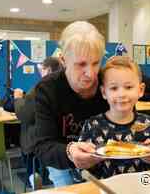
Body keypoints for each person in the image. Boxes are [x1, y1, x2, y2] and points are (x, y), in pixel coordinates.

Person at [34, 21, 109, 187]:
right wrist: (70, 151)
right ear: (63, 59)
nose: (90, 74)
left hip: (108, 159)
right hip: (63, 162)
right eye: (81, 64)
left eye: (96, 63)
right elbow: (43, 146)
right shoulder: (47, 89)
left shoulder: (110, 82)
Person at [78, 56, 150, 179]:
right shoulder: (92, 125)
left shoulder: (149, 124)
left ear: (140, 90)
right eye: (113, 88)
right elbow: (81, 171)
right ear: (103, 92)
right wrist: (90, 161)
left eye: (128, 87)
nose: (121, 94)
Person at [14, 57, 62, 188]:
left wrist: (18, 99)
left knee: (26, 131)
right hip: (59, 138)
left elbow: (24, 115)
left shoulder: (41, 88)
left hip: (39, 140)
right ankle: (44, 175)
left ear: (48, 70)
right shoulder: (64, 85)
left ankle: (32, 176)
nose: (40, 73)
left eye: (41, 70)